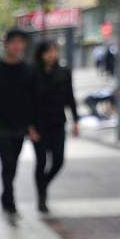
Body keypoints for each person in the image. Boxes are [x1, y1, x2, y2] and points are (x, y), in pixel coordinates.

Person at [0, 28, 35, 219]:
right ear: (6, 44)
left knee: (13, 165)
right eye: (14, 42)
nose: (18, 46)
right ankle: (10, 202)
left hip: (20, 126)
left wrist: (33, 125)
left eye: (21, 42)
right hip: (0, 125)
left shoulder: (28, 70)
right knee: (7, 161)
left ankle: (5, 194)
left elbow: (32, 101)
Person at [30, 41, 80, 214]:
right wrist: (29, 126)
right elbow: (27, 102)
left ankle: (43, 184)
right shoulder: (32, 73)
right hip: (38, 125)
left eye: (54, 51)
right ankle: (42, 198)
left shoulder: (64, 72)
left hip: (58, 122)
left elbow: (71, 97)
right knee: (41, 162)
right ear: (41, 54)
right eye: (48, 52)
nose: (51, 55)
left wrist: (76, 120)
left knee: (58, 161)